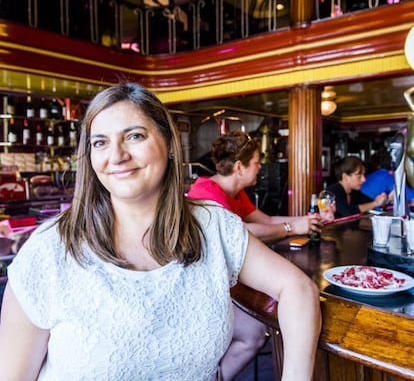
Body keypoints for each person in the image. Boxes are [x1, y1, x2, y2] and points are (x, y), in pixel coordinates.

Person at [0, 83, 321, 381]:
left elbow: (299, 290)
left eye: (135, 136)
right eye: (100, 142)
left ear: (168, 143)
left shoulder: (212, 227)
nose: (117, 156)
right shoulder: (50, 251)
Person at [187, 130, 322, 379]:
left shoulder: (235, 192)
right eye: (257, 163)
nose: (260, 167)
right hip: (203, 290)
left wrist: (306, 220)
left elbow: (267, 220)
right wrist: (292, 228)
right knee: (254, 333)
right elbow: (240, 233)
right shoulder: (207, 193)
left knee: (262, 325)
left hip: (228, 283)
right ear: (239, 167)